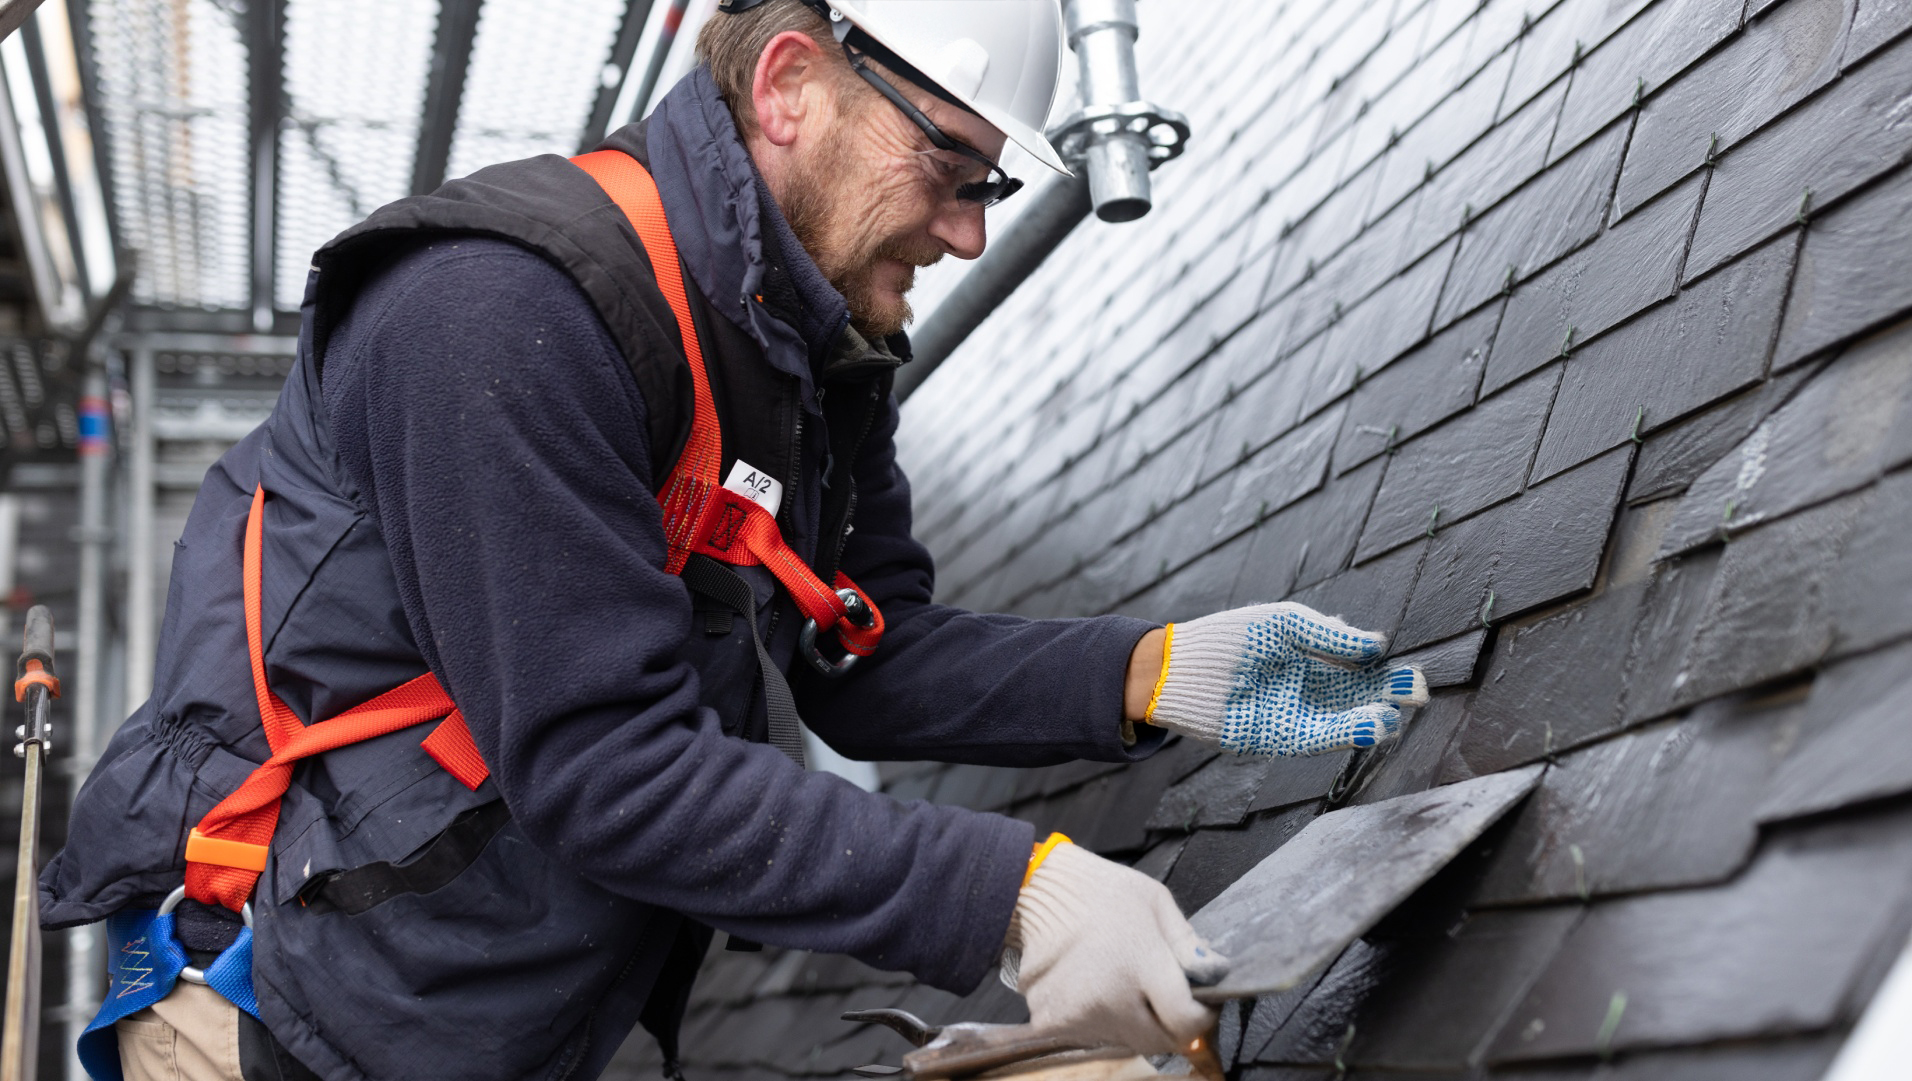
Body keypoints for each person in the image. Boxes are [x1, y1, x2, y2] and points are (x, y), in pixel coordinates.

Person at [43, 3, 1427, 1079]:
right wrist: (1015, 890)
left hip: (487, 988)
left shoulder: (822, 352)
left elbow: (865, 656)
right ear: (787, 88)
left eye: (988, 189)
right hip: (284, 1001)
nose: (962, 231)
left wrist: (1151, 670)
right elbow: (605, 765)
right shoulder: (492, 311)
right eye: (949, 166)